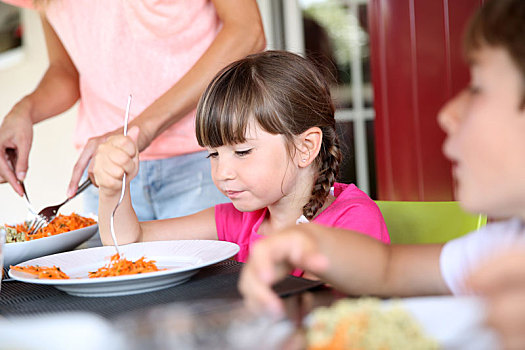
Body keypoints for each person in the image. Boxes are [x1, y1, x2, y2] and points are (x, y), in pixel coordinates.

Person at [238, 0, 525, 345]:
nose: (447, 112)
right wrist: (309, 241)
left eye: (477, 87)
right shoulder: (505, 244)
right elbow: (388, 268)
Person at [92, 50, 389, 275]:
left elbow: (315, 314)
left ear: (305, 146)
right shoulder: (240, 219)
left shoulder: (352, 221)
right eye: (213, 154)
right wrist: (112, 187)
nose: (222, 173)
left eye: (243, 152)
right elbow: (130, 244)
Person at [0, 0, 265, 224]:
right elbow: (66, 71)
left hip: (208, 159)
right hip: (107, 173)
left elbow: (247, 31)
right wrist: (23, 111)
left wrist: (142, 129)